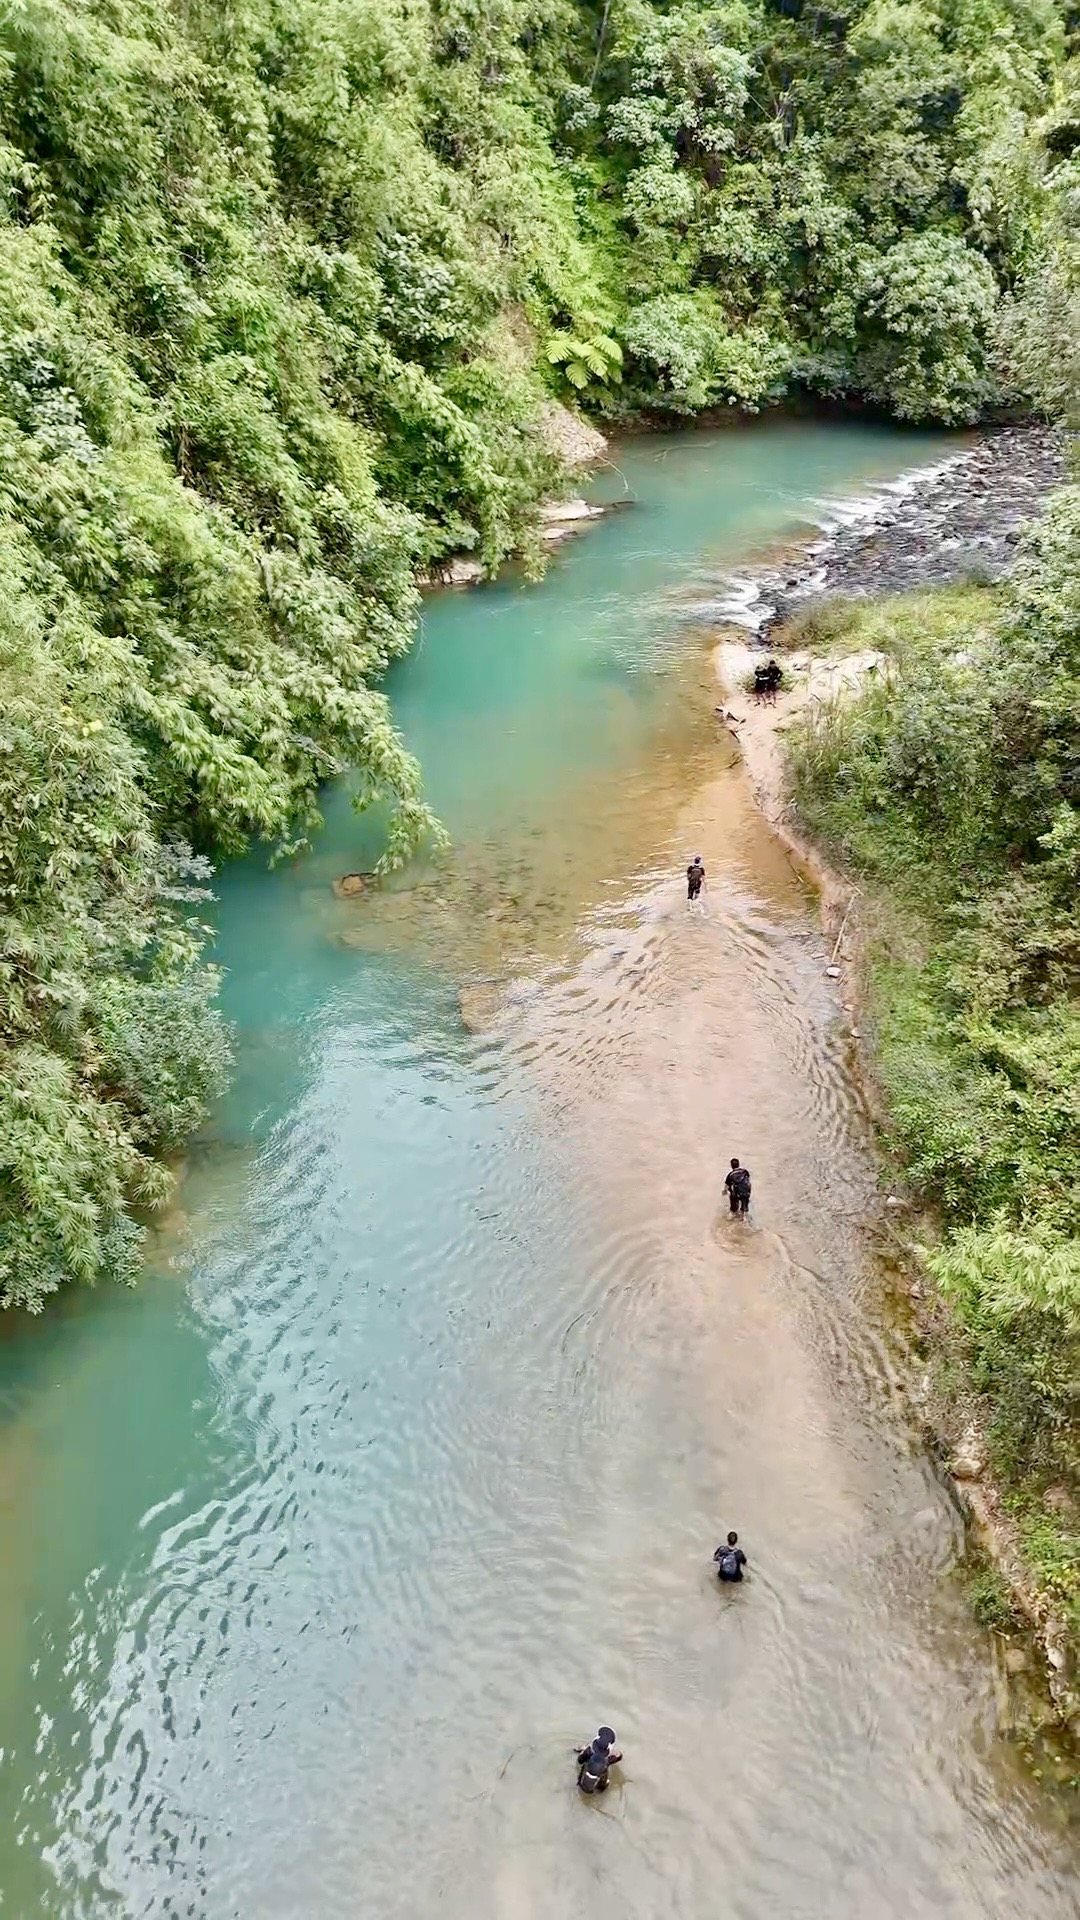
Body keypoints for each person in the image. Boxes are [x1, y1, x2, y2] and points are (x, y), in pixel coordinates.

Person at [576, 1726, 622, 1794]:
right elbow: (619, 1756)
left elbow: (580, 1760)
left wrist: (583, 1751)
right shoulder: (607, 1761)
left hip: (582, 1782)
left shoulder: (588, 1751)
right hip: (597, 1784)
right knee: (604, 1781)